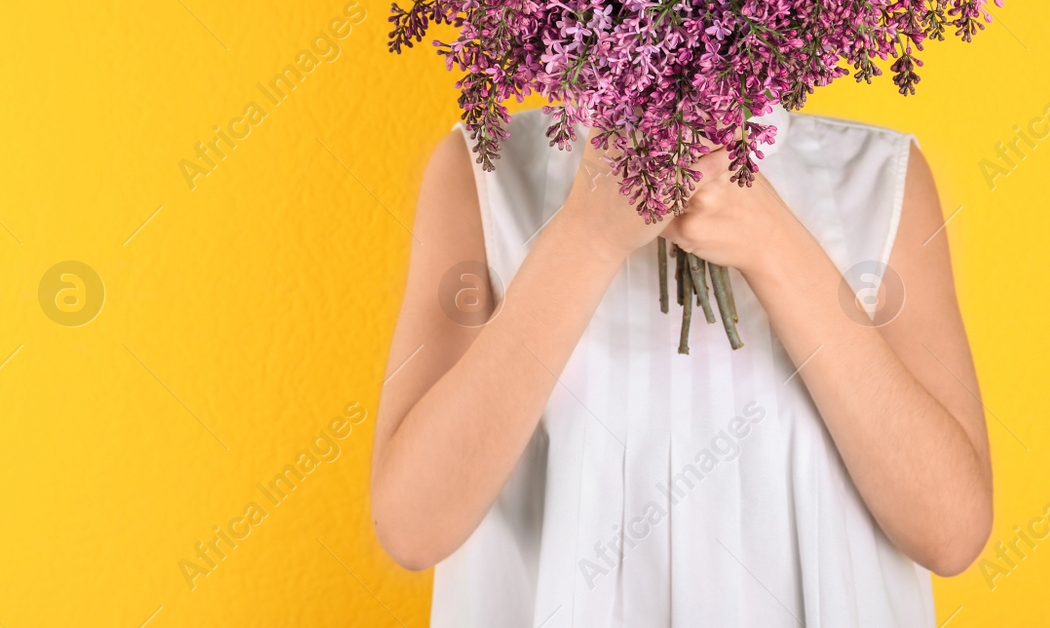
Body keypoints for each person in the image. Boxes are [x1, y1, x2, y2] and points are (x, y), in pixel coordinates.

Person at [370, 104, 992, 626]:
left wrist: (774, 243)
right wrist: (588, 235)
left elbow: (950, 532)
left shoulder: (877, 179)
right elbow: (412, 527)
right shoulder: (484, 168)